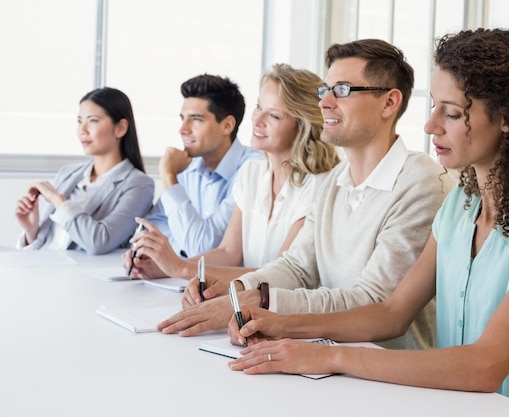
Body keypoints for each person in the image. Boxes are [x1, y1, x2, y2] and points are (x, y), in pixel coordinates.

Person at [227, 29, 509, 417]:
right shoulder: (460, 206)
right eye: (435, 106)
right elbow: (392, 313)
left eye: (452, 113)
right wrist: (282, 325)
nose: (430, 125)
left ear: (508, 117)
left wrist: (331, 357)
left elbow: (484, 365)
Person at [157, 38, 452, 351]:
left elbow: (373, 301)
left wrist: (260, 300)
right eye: (324, 90)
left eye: (342, 90)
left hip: (389, 378)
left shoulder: (421, 182)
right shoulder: (336, 180)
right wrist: (235, 289)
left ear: (389, 103)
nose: (324, 103)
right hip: (330, 361)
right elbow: (297, 267)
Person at [124, 63, 340, 287]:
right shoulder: (252, 172)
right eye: (258, 107)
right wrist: (163, 267)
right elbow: (229, 252)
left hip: (285, 311)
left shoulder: (319, 185)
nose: (256, 120)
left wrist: (180, 268)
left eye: (274, 116)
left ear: (302, 125)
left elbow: (282, 274)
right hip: (248, 302)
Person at [123, 74, 260, 268]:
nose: (182, 129)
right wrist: (152, 253)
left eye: (196, 119)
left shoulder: (252, 169)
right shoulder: (187, 165)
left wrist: (169, 177)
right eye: (182, 118)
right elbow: (148, 229)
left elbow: (202, 248)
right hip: (180, 281)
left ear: (227, 125)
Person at [14, 87, 154, 255]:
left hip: (80, 276)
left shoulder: (139, 185)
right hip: (42, 267)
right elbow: (48, 244)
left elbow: (100, 241)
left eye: (92, 121)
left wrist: (58, 200)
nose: (82, 129)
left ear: (121, 128)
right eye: (80, 121)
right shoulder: (68, 173)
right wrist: (31, 231)